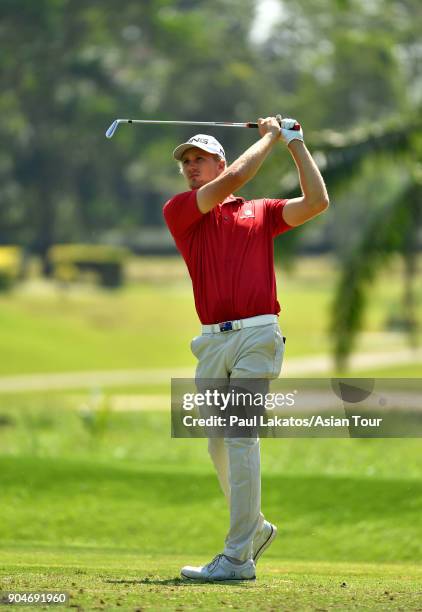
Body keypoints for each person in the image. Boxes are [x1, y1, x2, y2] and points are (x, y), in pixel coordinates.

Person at [163, 116, 329, 582]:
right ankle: (255, 528)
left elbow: (317, 202)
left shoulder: (259, 212)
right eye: (186, 163)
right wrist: (272, 137)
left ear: (217, 159)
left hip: (258, 334)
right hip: (211, 342)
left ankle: (237, 558)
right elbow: (236, 177)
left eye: (200, 160)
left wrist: (295, 143)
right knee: (219, 444)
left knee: (240, 437)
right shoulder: (181, 211)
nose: (192, 168)